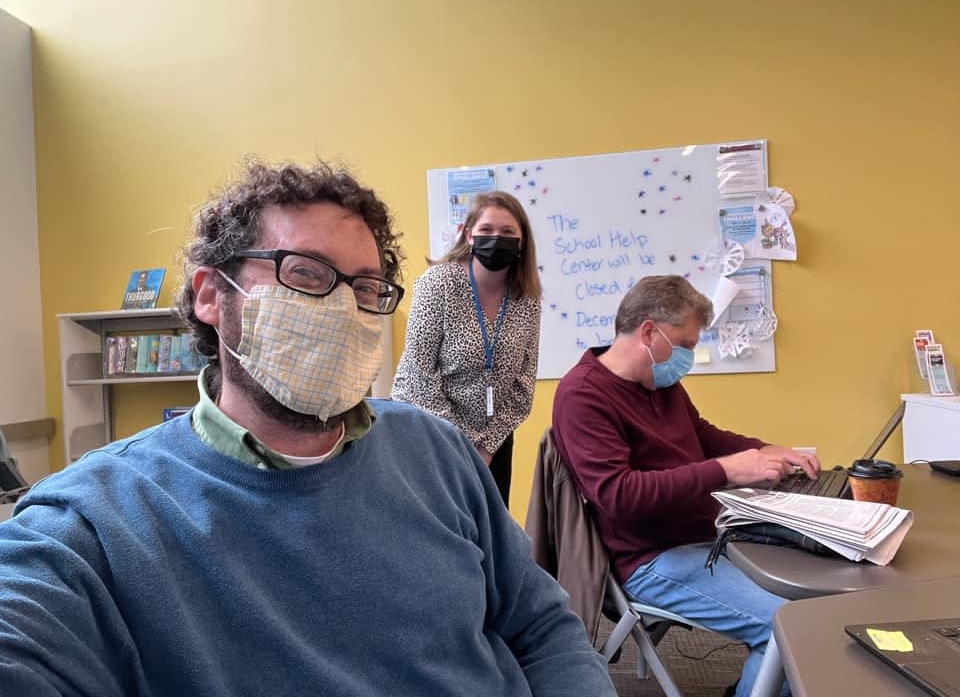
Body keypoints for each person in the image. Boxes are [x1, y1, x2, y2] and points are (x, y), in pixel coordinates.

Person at [0, 158, 615, 697]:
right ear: (213, 295)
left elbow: (542, 626)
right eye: (305, 273)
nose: (343, 307)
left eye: (367, 287)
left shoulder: (434, 452)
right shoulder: (97, 521)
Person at [552, 275, 819, 697]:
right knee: (788, 628)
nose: (689, 356)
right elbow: (619, 496)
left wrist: (766, 450)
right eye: (687, 345)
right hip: (649, 559)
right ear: (648, 332)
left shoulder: (659, 382)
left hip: (706, 538)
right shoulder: (582, 396)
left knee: (816, 599)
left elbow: (702, 435)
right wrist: (726, 470)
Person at [391, 191, 541, 508]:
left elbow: (523, 385)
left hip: (494, 443)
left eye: (507, 233)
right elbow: (416, 375)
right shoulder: (439, 283)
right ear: (469, 234)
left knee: (489, 537)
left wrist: (486, 447)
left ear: (522, 242)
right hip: (433, 436)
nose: (496, 238)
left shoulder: (526, 298)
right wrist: (462, 445)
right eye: (486, 230)